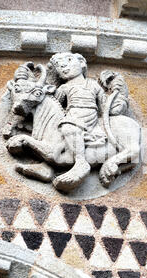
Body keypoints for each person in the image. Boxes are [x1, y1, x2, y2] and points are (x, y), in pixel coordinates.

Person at [47, 52, 107, 191]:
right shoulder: (64, 88)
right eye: (59, 66)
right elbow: (55, 106)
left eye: (68, 60)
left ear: (82, 63)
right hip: (73, 114)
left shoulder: (93, 85)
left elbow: (105, 107)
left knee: (68, 127)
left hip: (90, 116)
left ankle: (81, 162)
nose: (63, 66)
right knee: (66, 126)